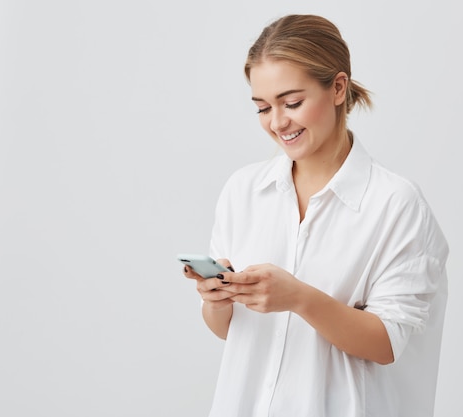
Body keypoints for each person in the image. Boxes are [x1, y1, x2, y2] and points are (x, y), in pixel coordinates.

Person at [183, 13, 448, 417]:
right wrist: (218, 300)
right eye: (262, 108)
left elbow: (388, 344)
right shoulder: (243, 191)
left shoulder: (395, 204)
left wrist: (299, 298)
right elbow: (231, 332)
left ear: (338, 87)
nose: (277, 122)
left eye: (292, 103)